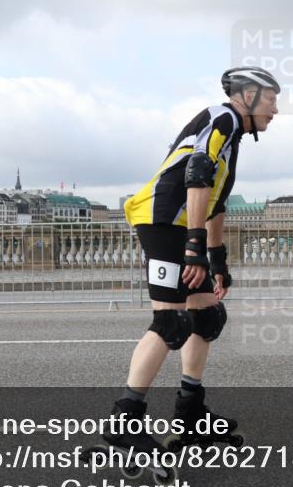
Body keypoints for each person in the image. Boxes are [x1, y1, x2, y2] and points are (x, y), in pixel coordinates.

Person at [102, 66, 280, 455]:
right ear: (246, 96)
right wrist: (194, 248)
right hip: (164, 219)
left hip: (184, 225)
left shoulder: (232, 136)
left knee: (207, 317)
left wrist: (217, 261)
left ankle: (190, 413)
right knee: (170, 322)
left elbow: (214, 203)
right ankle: (124, 421)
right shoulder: (223, 117)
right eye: (271, 99)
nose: (275, 110)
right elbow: (195, 178)